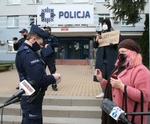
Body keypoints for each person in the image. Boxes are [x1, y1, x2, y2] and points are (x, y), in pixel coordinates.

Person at [94, 39, 150, 124]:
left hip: (130, 118)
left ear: (133, 53)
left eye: (123, 51)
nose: (120, 54)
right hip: (115, 115)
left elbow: (145, 96)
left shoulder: (141, 70)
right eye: (119, 52)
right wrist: (101, 80)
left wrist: (122, 86)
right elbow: (113, 87)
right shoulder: (119, 68)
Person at [15, 24, 61, 124]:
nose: (41, 46)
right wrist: (54, 77)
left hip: (30, 96)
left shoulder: (24, 51)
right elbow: (40, 79)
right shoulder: (28, 54)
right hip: (31, 98)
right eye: (40, 44)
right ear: (33, 39)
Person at [93, 18, 122, 98]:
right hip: (101, 59)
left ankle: (112, 91)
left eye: (106, 24)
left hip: (111, 59)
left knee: (111, 75)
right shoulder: (100, 34)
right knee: (101, 75)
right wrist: (96, 40)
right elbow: (95, 46)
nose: (104, 25)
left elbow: (120, 45)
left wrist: (114, 45)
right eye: (103, 24)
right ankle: (103, 91)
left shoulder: (114, 34)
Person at [40, 26, 59, 91]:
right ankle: (43, 85)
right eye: (44, 30)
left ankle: (54, 85)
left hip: (50, 57)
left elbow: (57, 44)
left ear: (50, 31)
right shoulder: (41, 38)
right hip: (43, 57)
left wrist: (49, 44)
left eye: (47, 30)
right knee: (42, 71)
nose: (45, 31)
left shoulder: (53, 37)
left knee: (52, 71)